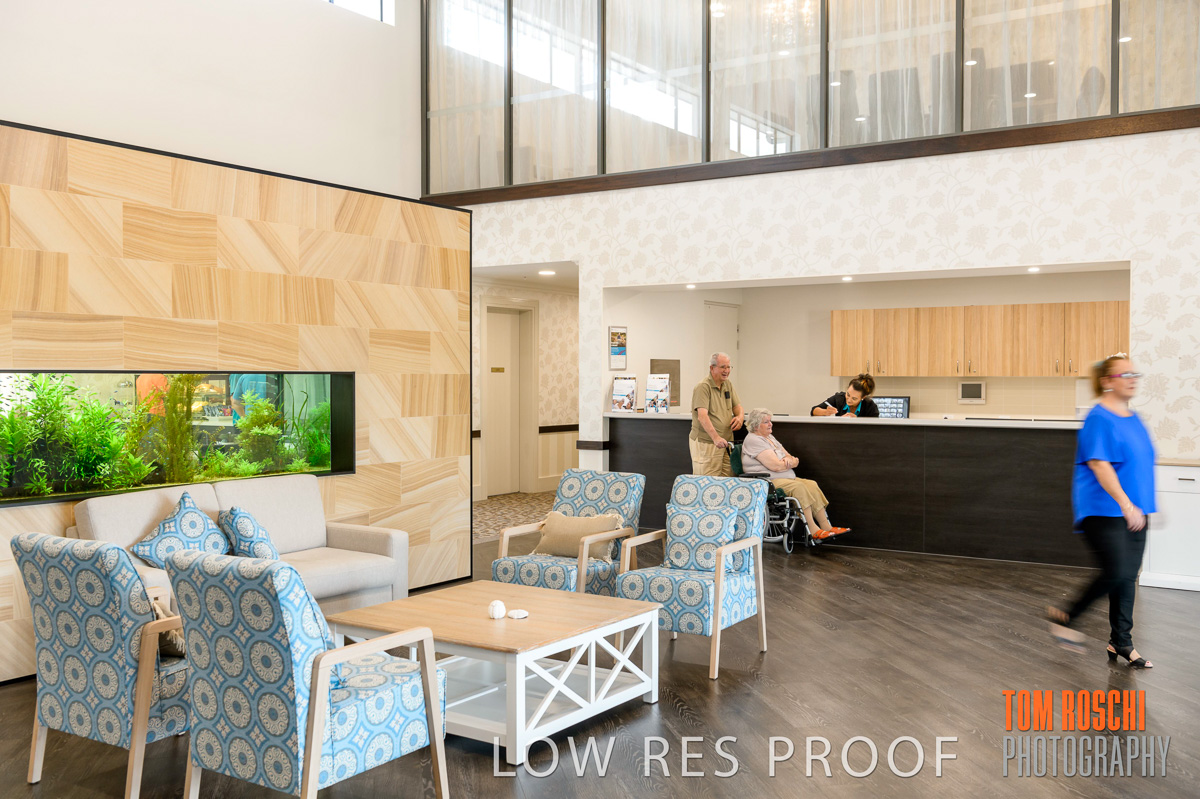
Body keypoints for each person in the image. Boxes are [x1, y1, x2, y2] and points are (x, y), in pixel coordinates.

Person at [1047, 354, 1156, 668]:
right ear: (1107, 381)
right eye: (1125, 375)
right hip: (1104, 510)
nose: (1132, 379)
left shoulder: (1134, 418)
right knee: (1116, 571)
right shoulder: (1098, 418)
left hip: (1136, 510)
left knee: (1126, 578)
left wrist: (1141, 506)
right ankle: (1065, 617)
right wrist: (1126, 504)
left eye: (1135, 373)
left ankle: (1121, 641)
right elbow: (1098, 463)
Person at [741, 408, 850, 541]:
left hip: (784, 477)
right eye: (766, 422)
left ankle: (826, 526)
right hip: (767, 481)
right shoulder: (753, 440)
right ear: (756, 425)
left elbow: (791, 458)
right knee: (799, 487)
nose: (771, 424)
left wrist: (789, 461)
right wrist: (788, 462)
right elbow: (775, 466)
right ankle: (813, 529)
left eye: (770, 421)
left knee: (811, 484)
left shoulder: (769, 438)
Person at [689, 352, 743, 476]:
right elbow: (702, 416)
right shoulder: (703, 387)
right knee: (708, 481)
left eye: (729, 367)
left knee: (727, 481)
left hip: (727, 443)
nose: (727, 371)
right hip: (708, 443)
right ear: (712, 368)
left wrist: (740, 417)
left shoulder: (727, 384)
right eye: (723, 367)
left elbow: (737, 406)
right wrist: (716, 438)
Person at [811, 373, 879, 418]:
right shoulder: (839, 398)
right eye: (848, 394)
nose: (849, 400)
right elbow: (813, 411)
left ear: (863, 397)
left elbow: (875, 430)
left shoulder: (870, 407)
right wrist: (826, 412)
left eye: (854, 398)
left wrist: (858, 421)